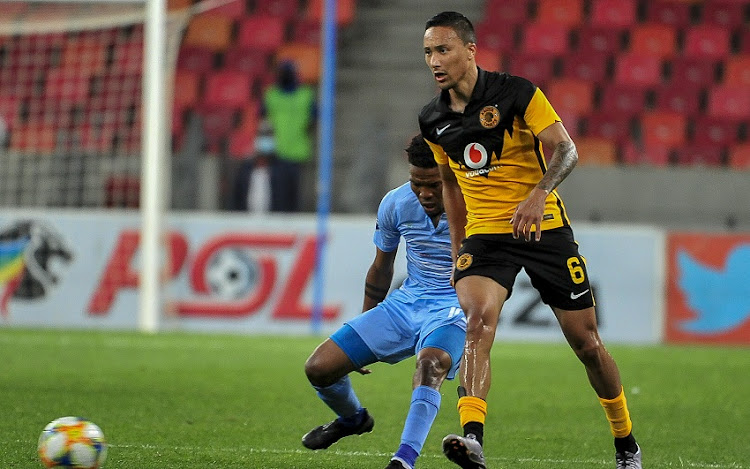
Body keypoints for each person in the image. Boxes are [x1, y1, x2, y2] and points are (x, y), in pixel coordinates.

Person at [417, 11, 642, 469]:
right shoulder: (433, 119)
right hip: (486, 238)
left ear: (470, 49)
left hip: (542, 230)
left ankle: (626, 442)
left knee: (587, 345)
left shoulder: (517, 92)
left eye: (443, 50)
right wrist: (460, 243)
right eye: (427, 52)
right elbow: (450, 184)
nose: (434, 61)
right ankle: (472, 439)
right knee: (477, 323)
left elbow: (567, 149)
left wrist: (540, 194)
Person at [302, 135, 467, 469]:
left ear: (450, 174)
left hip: (454, 305)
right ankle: (353, 419)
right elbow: (381, 268)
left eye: (433, 184)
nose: (424, 193)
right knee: (318, 368)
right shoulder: (396, 203)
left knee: (430, 364)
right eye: (416, 183)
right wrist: (365, 323)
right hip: (407, 302)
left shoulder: (476, 203)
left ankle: (403, 459)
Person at [261, 60, 316, 212]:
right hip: (276, 154)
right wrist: (265, 150)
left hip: (298, 153)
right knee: (277, 197)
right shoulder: (271, 95)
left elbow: (313, 121)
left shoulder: (306, 95)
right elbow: (265, 124)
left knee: (294, 197)